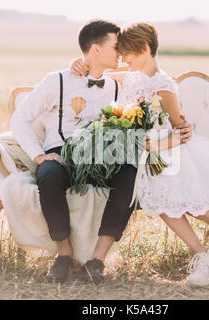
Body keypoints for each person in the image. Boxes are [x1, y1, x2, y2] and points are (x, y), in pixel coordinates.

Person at [71, 22, 209, 287]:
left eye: (128, 53)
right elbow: (99, 75)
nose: (123, 59)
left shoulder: (163, 85)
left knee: (203, 210)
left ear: (146, 49)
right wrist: (79, 64)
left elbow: (181, 131)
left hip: (172, 153)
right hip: (146, 159)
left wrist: (158, 146)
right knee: (163, 200)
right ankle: (203, 256)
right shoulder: (131, 75)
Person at [10, 20, 193, 285]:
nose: (121, 53)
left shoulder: (118, 86)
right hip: (61, 154)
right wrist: (39, 156)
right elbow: (19, 119)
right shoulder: (56, 81)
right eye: (115, 47)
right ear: (95, 50)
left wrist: (180, 129)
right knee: (48, 173)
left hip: (100, 158)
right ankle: (63, 254)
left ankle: (97, 260)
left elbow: (152, 92)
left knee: (130, 173)